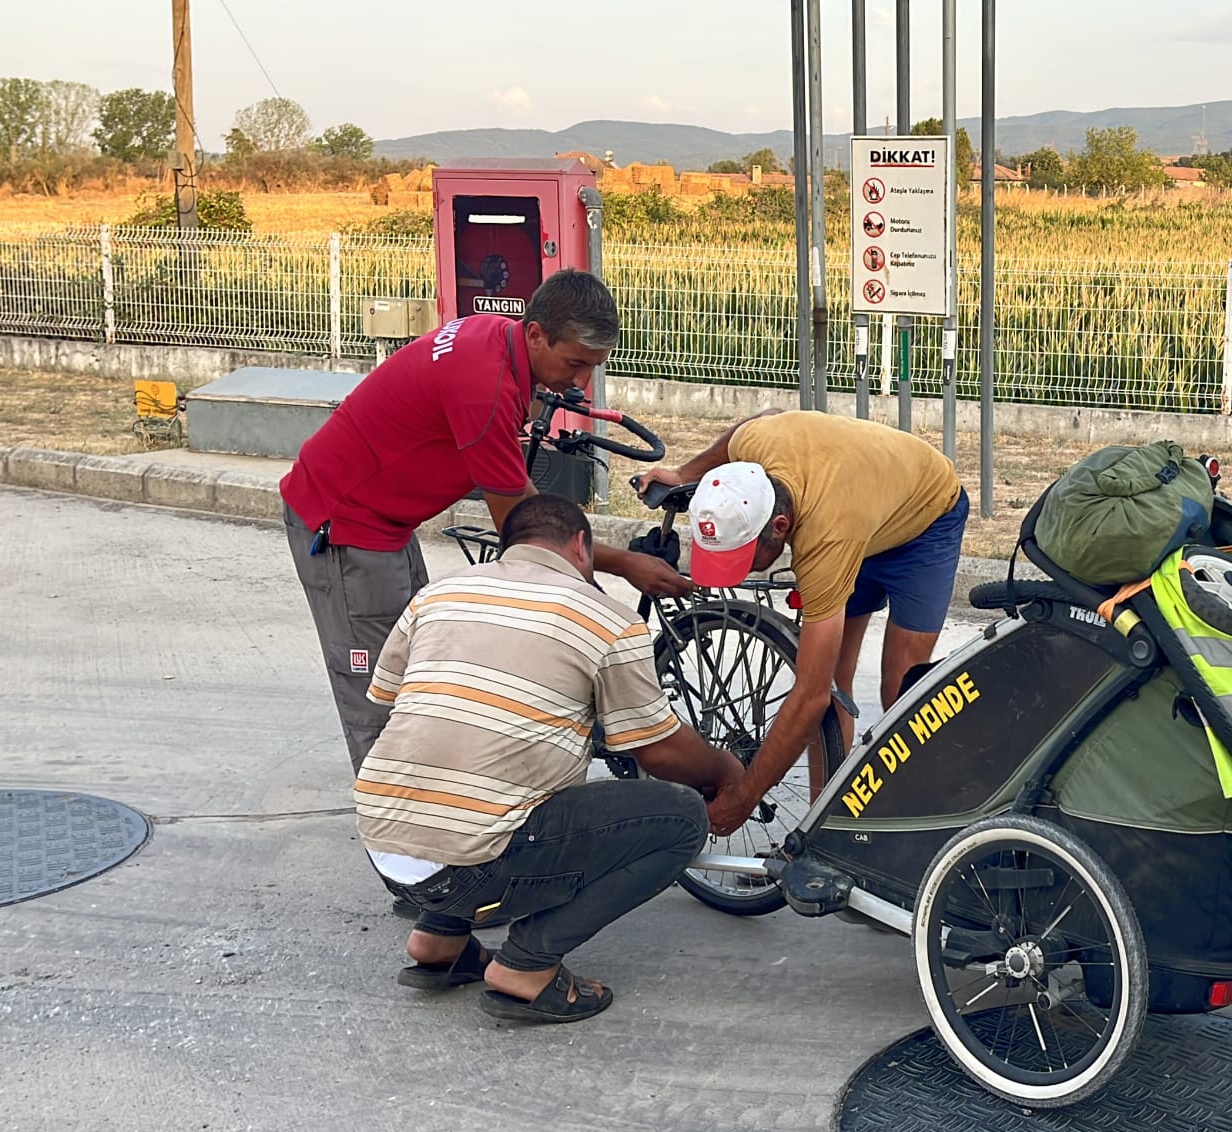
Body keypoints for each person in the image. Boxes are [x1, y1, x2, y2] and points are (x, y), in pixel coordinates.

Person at [280, 269, 692, 776]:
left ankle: (443, 794)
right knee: (378, 691)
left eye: (593, 367)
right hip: (344, 523)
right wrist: (625, 565)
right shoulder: (485, 386)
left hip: (390, 522)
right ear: (537, 333)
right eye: (575, 364)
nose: (582, 383)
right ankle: (400, 831)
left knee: (417, 672)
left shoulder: (498, 338)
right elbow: (527, 532)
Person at [358, 494, 749, 1024]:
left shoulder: (439, 594)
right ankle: (528, 964)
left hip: (384, 847)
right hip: (473, 865)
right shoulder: (606, 619)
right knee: (679, 819)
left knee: (486, 770)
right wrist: (725, 770)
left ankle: (438, 940)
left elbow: (388, 700)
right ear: (581, 547)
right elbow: (658, 751)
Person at [638, 410, 967, 831]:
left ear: (780, 526)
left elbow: (809, 695)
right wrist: (685, 471)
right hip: (860, 499)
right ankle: (825, 831)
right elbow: (743, 431)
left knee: (901, 691)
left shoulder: (825, 540)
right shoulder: (757, 444)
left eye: (745, 559)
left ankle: (930, 826)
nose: (744, 573)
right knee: (834, 688)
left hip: (925, 516)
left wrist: (744, 797)